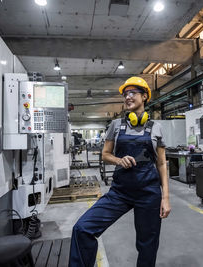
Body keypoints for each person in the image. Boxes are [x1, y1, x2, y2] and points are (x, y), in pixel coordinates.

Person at [69, 77, 171, 267]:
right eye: (125, 94)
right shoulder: (116, 125)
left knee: (147, 245)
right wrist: (118, 160)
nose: (127, 97)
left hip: (149, 193)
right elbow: (105, 154)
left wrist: (165, 197)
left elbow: (162, 164)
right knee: (82, 228)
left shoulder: (156, 128)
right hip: (120, 192)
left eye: (132, 93)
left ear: (144, 96)